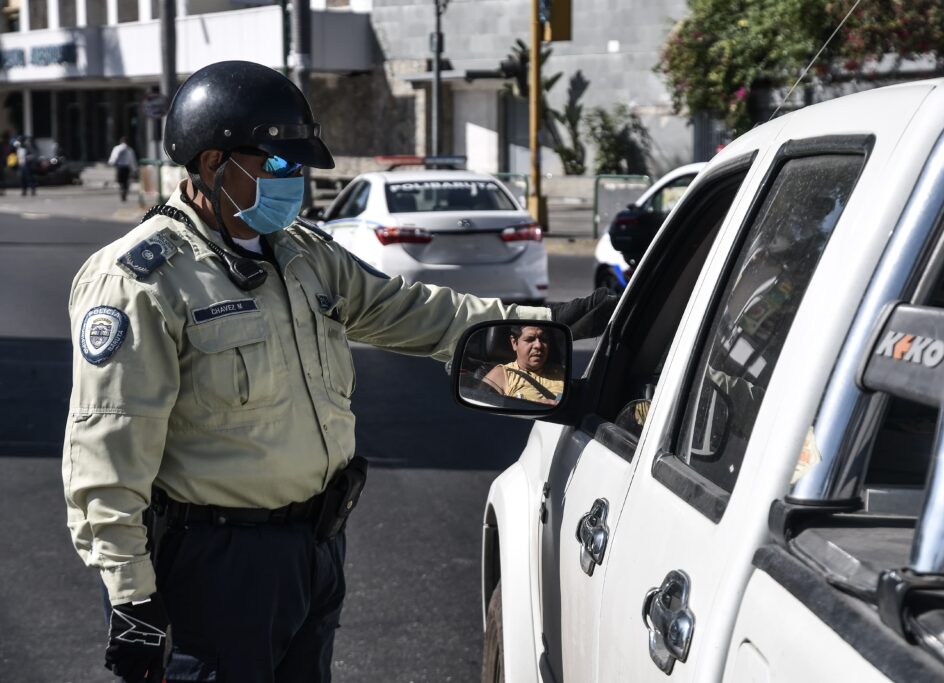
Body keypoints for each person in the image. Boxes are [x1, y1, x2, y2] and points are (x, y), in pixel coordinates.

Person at [61, 60, 617, 683]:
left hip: (316, 549)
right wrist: (131, 600)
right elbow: (108, 454)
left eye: (299, 166)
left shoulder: (302, 252)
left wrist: (540, 320)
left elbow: (409, 310)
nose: (293, 181)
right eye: (277, 166)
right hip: (217, 568)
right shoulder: (141, 280)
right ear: (213, 164)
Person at [483, 324, 565, 403]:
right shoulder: (501, 374)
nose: (538, 345)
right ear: (514, 343)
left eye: (543, 339)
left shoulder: (561, 372)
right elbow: (481, 408)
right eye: (530, 339)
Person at [108, 136, 138, 202]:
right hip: (126, 167)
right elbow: (132, 160)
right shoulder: (130, 150)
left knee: (120, 180)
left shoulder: (117, 148)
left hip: (120, 167)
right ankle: (124, 190)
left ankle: (122, 190)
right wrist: (134, 169)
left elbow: (114, 157)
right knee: (126, 181)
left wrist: (111, 163)